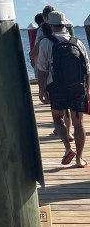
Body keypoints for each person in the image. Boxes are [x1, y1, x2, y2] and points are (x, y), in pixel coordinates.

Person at [37, 10, 90, 168]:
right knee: (78, 123)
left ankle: (68, 148)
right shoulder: (77, 42)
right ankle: (80, 159)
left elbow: (42, 68)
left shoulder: (46, 42)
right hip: (77, 87)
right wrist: (87, 90)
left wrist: (42, 89)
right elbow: (87, 68)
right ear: (65, 24)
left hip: (56, 87)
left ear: (50, 25)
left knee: (57, 118)